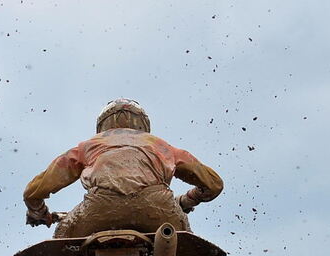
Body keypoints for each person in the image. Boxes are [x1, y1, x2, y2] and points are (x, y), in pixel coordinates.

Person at [24, 98, 223, 238]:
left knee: (63, 238)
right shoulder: (162, 146)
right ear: (143, 124)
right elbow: (214, 184)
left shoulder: (88, 146)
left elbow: (33, 192)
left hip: (100, 208)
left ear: (102, 125)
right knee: (183, 241)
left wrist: (39, 212)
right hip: (158, 208)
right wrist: (189, 199)